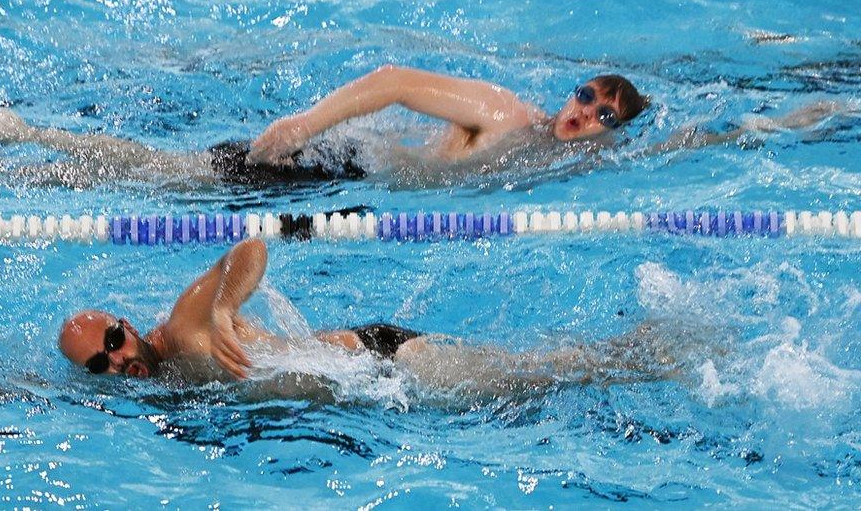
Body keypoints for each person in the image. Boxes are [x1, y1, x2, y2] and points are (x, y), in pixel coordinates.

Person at [58, 239, 689, 396]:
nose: (118, 357)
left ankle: (661, 352)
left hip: (385, 361)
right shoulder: (153, 384)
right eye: (102, 363)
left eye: (114, 339)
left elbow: (248, 249)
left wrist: (224, 307)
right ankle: (643, 352)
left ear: (127, 322)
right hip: (372, 387)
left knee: (543, 375)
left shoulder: (188, 324)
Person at [0, 67, 649, 188]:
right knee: (163, 179)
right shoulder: (505, 113)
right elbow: (393, 79)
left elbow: (686, 144)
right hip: (330, 163)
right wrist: (303, 125)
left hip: (342, 178)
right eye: (585, 95)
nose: (582, 113)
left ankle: (17, 153)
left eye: (601, 116)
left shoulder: (560, 161)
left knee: (163, 176)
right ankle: (18, 143)